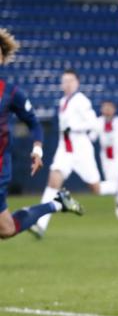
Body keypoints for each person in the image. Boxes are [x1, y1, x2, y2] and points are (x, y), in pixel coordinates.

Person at [32, 69, 118, 238]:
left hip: (81, 151)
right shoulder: (63, 101)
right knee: (52, 183)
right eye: (64, 81)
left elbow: (92, 122)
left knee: (96, 188)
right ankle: (40, 225)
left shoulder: (81, 101)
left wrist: (75, 128)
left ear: (77, 83)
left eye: (71, 80)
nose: (67, 84)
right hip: (65, 150)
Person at [0, 28, 83, 240]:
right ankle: (56, 203)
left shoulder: (10, 93)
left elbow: (34, 123)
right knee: (7, 229)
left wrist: (37, 149)